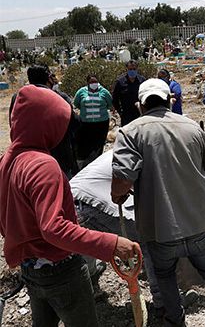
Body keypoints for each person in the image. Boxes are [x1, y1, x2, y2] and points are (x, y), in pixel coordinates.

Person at [111, 79, 205, 327]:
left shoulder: (130, 132)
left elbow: (122, 182)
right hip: (199, 224)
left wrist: (118, 194)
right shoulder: (192, 128)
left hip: (160, 230)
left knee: (165, 276)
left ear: (140, 105)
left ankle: (175, 320)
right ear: (170, 100)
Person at [0, 85, 140, 327]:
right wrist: (111, 243)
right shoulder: (43, 166)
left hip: (31, 268)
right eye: (60, 121)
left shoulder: (7, 161)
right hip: (61, 269)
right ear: (47, 122)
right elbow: (53, 228)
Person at [71, 150, 163, 311]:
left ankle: (90, 283)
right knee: (148, 242)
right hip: (89, 202)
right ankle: (164, 301)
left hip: (74, 198)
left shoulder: (128, 148)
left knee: (85, 244)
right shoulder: (147, 156)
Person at [9, 65, 80, 178]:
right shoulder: (59, 97)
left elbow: (12, 122)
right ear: (48, 79)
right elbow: (74, 124)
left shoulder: (18, 97)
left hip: (25, 157)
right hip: (58, 155)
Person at [73, 74, 113, 168]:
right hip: (85, 124)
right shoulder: (81, 92)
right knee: (85, 143)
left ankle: (97, 164)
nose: (93, 84)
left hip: (101, 124)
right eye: (91, 82)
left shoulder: (104, 92)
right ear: (87, 83)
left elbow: (109, 104)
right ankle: (84, 164)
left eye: (95, 82)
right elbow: (77, 103)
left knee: (98, 144)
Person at [112, 60, 146, 126]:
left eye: (134, 69)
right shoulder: (120, 82)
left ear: (137, 69)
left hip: (140, 114)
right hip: (126, 115)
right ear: (127, 69)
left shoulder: (142, 80)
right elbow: (115, 98)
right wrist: (120, 111)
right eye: (130, 69)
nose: (132, 71)